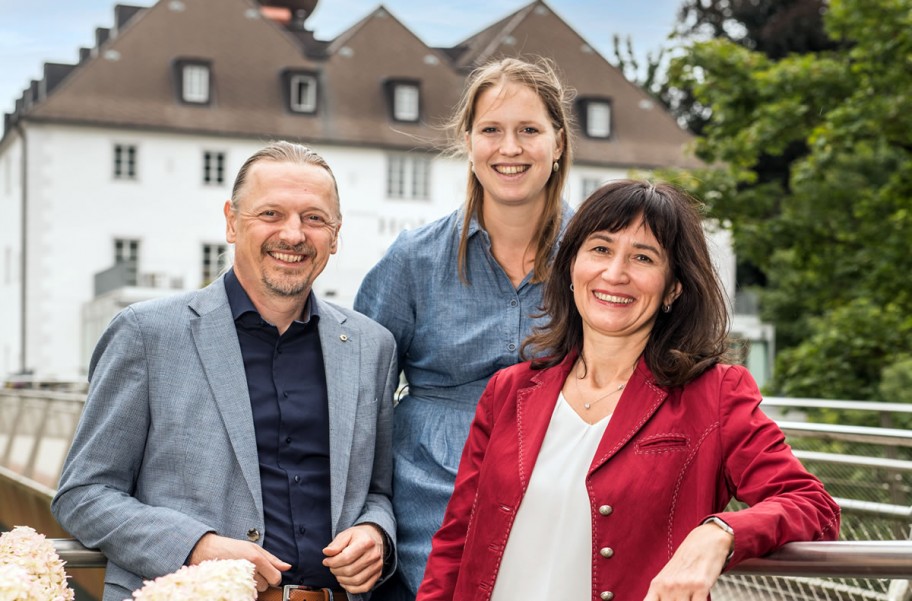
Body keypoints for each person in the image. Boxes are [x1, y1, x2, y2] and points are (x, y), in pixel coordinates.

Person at [416, 180, 841, 601]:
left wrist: (719, 533)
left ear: (673, 287)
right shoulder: (509, 390)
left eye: (643, 257)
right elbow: (456, 542)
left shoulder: (715, 395)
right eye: (600, 249)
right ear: (570, 266)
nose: (615, 273)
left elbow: (814, 506)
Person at [52, 141, 397, 601]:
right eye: (270, 214)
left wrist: (377, 533)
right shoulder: (146, 333)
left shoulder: (373, 346)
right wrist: (195, 547)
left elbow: (377, 490)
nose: (293, 235)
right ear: (232, 222)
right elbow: (84, 493)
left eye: (314, 218)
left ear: (335, 236)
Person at [353, 57, 574, 599]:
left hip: (559, 498)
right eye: (491, 130)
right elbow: (359, 395)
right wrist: (365, 514)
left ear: (559, 142)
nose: (510, 148)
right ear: (468, 142)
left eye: (529, 130)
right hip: (426, 514)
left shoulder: (595, 258)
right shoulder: (414, 259)